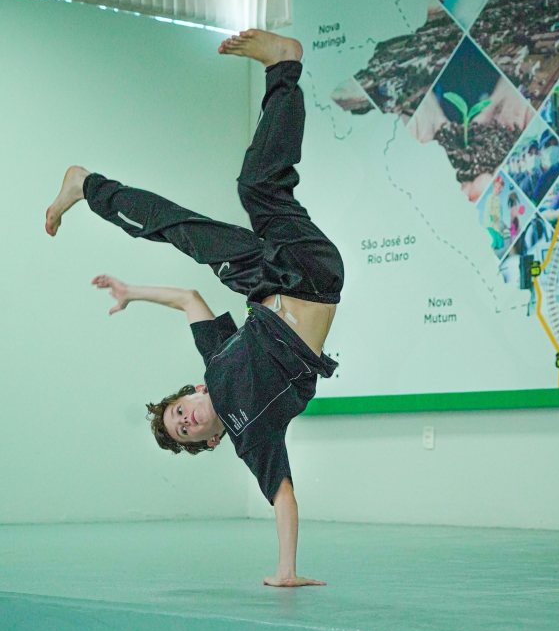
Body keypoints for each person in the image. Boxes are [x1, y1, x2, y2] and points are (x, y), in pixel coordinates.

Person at [45, 29, 344, 588]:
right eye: (184, 430)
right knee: (258, 190)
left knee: (191, 223)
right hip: (311, 279)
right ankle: (284, 68)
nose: (184, 418)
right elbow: (284, 497)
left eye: (178, 411)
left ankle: (87, 186)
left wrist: (133, 292)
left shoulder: (215, 364)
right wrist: (286, 571)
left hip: (265, 277)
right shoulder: (252, 437)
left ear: (194, 392)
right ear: (209, 441)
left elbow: (189, 299)